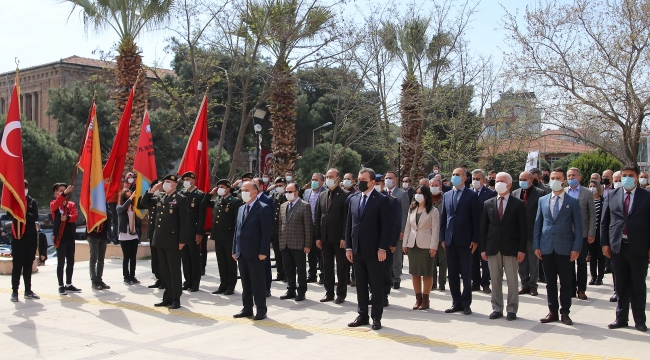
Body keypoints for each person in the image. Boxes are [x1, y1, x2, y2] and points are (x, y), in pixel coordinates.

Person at [601, 165, 650, 332]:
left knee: (638, 285)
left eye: (630, 175)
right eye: (624, 175)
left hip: (639, 248)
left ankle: (640, 320)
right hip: (617, 247)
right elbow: (605, 221)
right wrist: (605, 243)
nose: (627, 178)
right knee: (620, 285)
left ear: (637, 177)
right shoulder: (612, 194)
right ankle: (621, 318)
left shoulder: (646, 196)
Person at [534, 168, 583, 325]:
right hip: (547, 246)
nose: (554, 180)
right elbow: (538, 224)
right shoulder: (543, 200)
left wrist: (576, 248)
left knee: (566, 282)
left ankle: (565, 312)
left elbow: (579, 227)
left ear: (564, 181)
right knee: (550, 282)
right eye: (552, 177)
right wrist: (537, 245)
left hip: (565, 248)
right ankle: (552, 311)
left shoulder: (573, 202)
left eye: (558, 178)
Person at [346, 168, 391, 330]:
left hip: (374, 250)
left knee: (376, 285)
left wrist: (382, 248)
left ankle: (376, 317)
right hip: (357, 250)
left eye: (363, 179)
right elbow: (350, 225)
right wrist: (349, 247)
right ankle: (362, 314)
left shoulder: (381, 200)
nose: (360, 182)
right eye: (358, 179)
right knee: (360, 284)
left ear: (372, 182)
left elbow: (386, 227)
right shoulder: (353, 199)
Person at [480, 172, 527, 321]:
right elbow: (483, 228)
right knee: (495, 279)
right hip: (493, 247)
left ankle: (512, 309)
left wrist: (522, 249)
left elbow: (523, 229)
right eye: (497, 180)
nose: (498, 183)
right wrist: (483, 248)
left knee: (512, 280)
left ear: (509, 184)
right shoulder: (488, 203)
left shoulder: (518, 204)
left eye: (502, 181)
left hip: (511, 247)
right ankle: (497, 308)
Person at [140, 175, 189, 309]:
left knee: (174, 270)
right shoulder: (160, 197)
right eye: (164, 182)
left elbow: (184, 222)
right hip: (159, 239)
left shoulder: (180, 199)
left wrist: (182, 240)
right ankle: (167, 297)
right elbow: (143, 203)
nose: (165, 184)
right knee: (164, 270)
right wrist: (151, 190)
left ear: (174, 184)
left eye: (168, 182)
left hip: (173, 240)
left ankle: (176, 298)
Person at [440, 168, 481, 315]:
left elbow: (476, 219)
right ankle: (455, 301)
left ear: (464, 178)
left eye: (457, 175)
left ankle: (466, 303)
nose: (454, 177)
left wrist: (475, 239)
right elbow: (444, 217)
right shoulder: (447, 195)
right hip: (450, 239)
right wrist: (442, 237)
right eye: (453, 175)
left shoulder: (472, 195)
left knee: (466, 273)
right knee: (452, 273)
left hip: (465, 240)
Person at [232, 181, 272, 320]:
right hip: (242, 252)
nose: (243, 192)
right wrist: (234, 249)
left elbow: (266, 233)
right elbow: (237, 230)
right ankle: (247, 308)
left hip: (256, 253)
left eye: (246, 190)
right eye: (242, 189)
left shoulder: (263, 208)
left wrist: (263, 252)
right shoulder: (241, 208)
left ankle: (261, 309)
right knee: (245, 282)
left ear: (255, 192)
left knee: (258, 282)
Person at [314, 168, 350, 303]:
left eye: (331, 176)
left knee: (341, 267)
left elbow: (347, 219)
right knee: (327, 266)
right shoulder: (322, 195)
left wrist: (344, 237)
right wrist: (317, 236)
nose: (328, 178)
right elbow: (318, 217)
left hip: (339, 238)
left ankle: (341, 293)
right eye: (327, 176)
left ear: (337, 178)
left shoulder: (345, 195)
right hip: (325, 237)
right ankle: (329, 292)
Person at [203, 179, 244, 295]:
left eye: (222, 187)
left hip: (229, 237)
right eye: (219, 187)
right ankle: (223, 284)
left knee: (230, 263)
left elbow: (237, 221)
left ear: (228, 188)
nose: (220, 189)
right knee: (221, 262)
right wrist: (211, 193)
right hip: (218, 236)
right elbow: (204, 203)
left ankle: (231, 286)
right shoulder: (218, 200)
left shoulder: (235, 202)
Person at [403, 185, 439, 310]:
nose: (418, 195)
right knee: (415, 273)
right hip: (413, 244)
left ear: (426, 196)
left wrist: (433, 246)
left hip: (426, 245)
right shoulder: (412, 209)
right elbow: (407, 227)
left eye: (421, 193)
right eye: (416, 193)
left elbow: (435, 230)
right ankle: (417, 299)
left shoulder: (433, 211)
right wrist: (405, 244)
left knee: (427, 273)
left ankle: (425, 299)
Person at [512, 171, 545, 296]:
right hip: (518, 233)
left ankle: (533, 285)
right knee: (521, 260)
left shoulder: (540, 193)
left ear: (531, 180)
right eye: (520, 179)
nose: (522, 181)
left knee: (533, 260)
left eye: (525, 179)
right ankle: (524, 284)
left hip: (533, 231)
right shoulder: (515, 193)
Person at [565, 168, 596, 300]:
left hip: (582, 233)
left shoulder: (587, 193)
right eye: (569, 176)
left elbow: (592, 215)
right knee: (569, 263)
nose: (571, 178)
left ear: (580, 177)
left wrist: (591, 233)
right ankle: (571, 289)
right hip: (566, 233)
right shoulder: (564, 191)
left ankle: (581, 289)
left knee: (581, 263)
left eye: (574, 175)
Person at [278, 183, 313, 302]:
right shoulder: (283, 206)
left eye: (290, 192)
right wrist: (280, 241)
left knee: (301, 269)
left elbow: (308, 227)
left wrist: (307, 245)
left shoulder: (304, 206)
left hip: (298, 244)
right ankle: (291, 289)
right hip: (285, 243)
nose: (287, 194)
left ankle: (301, 291)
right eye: (286, 192)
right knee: (288, 269)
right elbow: (280, 225)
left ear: (296, 192)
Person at [10, 180, 40, 302]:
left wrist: (22, 213)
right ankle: (14, 292)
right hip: (18, 236)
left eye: (25, 187)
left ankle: (28, 290)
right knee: (17, 265)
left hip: (30, 236)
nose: (24, 189)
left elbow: (35, 217)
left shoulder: (32, 201)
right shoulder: (14, 201)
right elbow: (9, 213)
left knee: (28, 264)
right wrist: (18, 211)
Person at [50, 183, 81, 295]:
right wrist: (64, 194)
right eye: (61, 190)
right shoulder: (54, 204)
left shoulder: (71, 204)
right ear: (56, 193)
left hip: (70, 236)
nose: (64, 192)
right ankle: (61, 285)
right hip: (60, 237)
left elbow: (75, 216)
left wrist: (67, 218)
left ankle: (69, 284)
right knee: (61, 262)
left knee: (71, 261)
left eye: (65, 190)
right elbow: (57, 203)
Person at [470, 169, 496, 294]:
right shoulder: (468, 193)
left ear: (484, 180)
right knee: (472, 259)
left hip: (485, 232)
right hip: (471, 231)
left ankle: (485, 283)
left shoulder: (490, 194)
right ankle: (475, 282)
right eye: (473, 178)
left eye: (478, 178)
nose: (475, 181)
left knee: (484, 258)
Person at [179, 172, 205, 292]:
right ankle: (187, 281)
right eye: (184, 179)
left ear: (194, 180)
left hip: (194, 231)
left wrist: (199, 233)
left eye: (188, 179)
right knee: (185, 258)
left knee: (194, 258)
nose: (185, 181)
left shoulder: (199, 195)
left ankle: (195, 283)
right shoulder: (182, 194)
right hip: (183, 232)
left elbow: (201, 216)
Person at [384, 171, 410, 290]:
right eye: (386, 178)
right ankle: (388, 276)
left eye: (390, 178)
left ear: (396, 180)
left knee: (397, 256)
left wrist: (402, 229)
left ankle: (396, 278)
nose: (387, 180)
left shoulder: (402, 194)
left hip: (397, 229)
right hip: (385, 229)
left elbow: (405, 213)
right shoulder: (382, 193)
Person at [136, 179, 163, 289]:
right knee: (155, 258)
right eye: (157, 187)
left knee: (162, 258)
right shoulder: (151, 200)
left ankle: (165, 280)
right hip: (152, 232)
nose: (159, 189)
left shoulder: (165, 199)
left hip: (162, 233)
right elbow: (140, 204)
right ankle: (158, 278)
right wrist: (150, 192)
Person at [302, 173, 326, 283]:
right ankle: (312, 274)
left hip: (320, 227)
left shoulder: (325, 192)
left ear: (322, 181)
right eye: (312, 179)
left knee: (321, 252)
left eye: (316, 179)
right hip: (308, 226)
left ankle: (323, 274)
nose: (313, 181)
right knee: (310, 251)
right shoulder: (307, 192)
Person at [254, 177, 275, 297]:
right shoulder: (250, 199)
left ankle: (267, 288)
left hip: (263, 238)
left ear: (261, 187)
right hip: (252, 238)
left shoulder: (267, 200)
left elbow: (269, 221)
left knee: (265, 264)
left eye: (255, 185)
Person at [117, 188, 141, 285]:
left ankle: (132, 276)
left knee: (133, 257)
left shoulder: (133, 207)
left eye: (130, 195)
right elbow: (122, 208)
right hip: (124, 235)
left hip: (133, 235)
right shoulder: (119, 207)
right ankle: (126, 277)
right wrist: (130, 198)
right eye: (127, 195)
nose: (129, 196)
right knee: (126, 257)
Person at [430, 178, 447, 291]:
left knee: (443, 260)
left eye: (436, 185)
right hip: (429, 234)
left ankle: (442, 283)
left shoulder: (446, 197)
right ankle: (433, 283)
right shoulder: (426, 199)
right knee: (431, 259)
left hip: (442, 233)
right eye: (432, 185)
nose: (434, 187)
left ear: (440, 187)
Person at [269, 177, 288, 282]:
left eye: (281, 185)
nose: (279, 188)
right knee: (277, 252)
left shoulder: (288, 195)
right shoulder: (273, 195)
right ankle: (280, 273)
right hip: (275, 228)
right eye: (277, 186)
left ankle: (286, 274)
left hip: (284, 228)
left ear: (285, 185)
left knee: (284, 253)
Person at [588, 180, 605, 285]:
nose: (592, 188)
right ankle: (593, 276)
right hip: (590, 232)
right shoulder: (588, 201)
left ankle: (600, 277)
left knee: (600, 256)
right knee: (592, 256)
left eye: (594, 186)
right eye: (590, 186)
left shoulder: (603, 201)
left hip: (600, 233)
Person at [87, 211, 110, 290]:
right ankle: (94, 282)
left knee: (101, 259)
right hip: (93, 233)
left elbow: (109, 216)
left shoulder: (104, 204)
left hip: (103, 233)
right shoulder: (92, 201)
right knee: (93, 258)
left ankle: (99, 280)